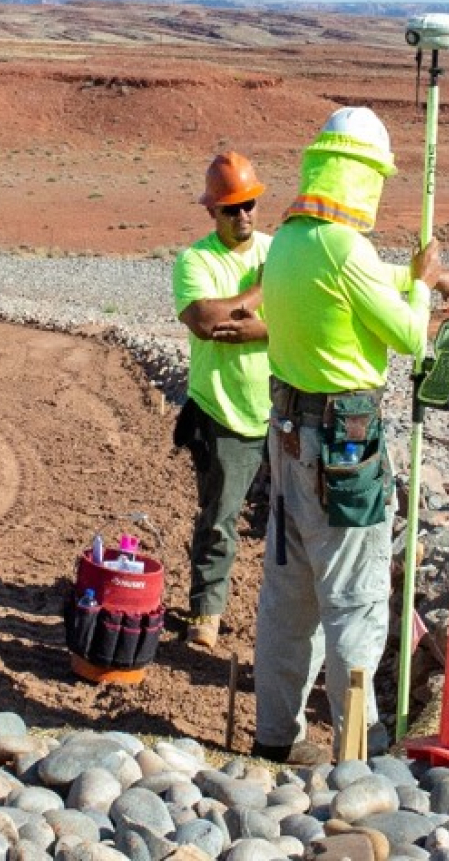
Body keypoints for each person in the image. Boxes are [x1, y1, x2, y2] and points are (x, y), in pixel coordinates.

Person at [251, 106, 449, 766]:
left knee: (290, 598)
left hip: (285, 441)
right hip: (344, 448)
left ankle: (275, 739)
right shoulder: (346, 249)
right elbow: (409, 338)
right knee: (354, 601)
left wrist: (405, 281)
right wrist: (422, 287)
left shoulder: (288, 241)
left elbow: (350, 290)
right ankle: (357, 759)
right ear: (362, 176)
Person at [171, 151, 272, 651]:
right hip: (223, 414)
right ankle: (206, 613)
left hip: (282, 410)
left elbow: (306, 320)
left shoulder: (280, 250)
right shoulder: (196, 260)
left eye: (249, 203)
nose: (244, 215)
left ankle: (280, 624)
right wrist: (259, 291)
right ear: (212, 212)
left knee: (294, 525)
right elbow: (209, 323)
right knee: (219, 519)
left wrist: (260, 329)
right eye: (231, 208)